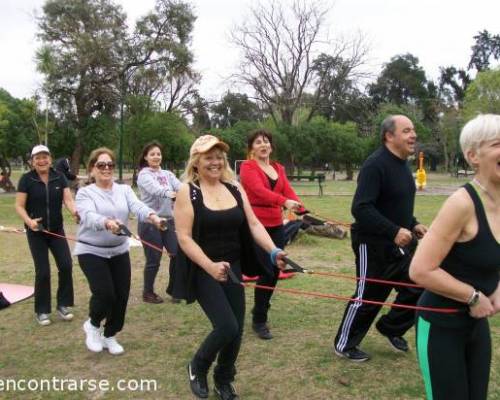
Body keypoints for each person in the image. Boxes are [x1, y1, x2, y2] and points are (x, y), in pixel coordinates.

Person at [170, 135, 286, 400]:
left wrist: (274, 251)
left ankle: (224, 379)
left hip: (232, 266)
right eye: (208, 157)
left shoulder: (235, 188)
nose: (215, 162)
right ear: (196, 162)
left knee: (237, 329)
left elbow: (254, 224)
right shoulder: (189, 191)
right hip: (202, 267)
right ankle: (197, 366)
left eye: (219, 156)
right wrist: (210, 266)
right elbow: (184, 238)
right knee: (226, 326)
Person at [409, 114, 500, 400]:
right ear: (473, 155)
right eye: (498, 144)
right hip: (440, 325)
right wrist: (472, 296)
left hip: (475, 327)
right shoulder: (461, 204)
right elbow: (420, 270)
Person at [333, 115, 428, 362]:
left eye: (413, 130)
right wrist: (393, 231)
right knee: (369, 297)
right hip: (372, 245)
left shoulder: (403, 165)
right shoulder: (375, 165)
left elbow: (396, 205)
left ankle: (391, 328)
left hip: (401, 243)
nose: (413, 135)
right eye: (407, 130)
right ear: (389, 136)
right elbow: (361, 208)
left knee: (420, 286)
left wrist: (413, 223)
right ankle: (344, 345)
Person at [74, 147, 165, 355]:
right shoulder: (85, 193)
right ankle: (93, 325)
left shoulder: (123, 190)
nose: (106, 168)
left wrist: (154, 217)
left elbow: (137, 206)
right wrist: (106, 222)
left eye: (110, 165)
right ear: (92, 169)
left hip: (118, 250)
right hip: (91, 251)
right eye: (101, 165)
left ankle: (110, 335)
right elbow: (87, 215)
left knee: (121, 295)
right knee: (105, 294)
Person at [239, 129, 305, 340]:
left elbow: (287, 190)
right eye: (258, 142)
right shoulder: (247, 167)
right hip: (256, 225)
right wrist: (283, 202)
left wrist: (299, 207)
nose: (263, 145)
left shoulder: (278, 168)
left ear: (271, 146)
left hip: (276, 225)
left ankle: (261, 309)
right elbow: (258, 191)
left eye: (266, 141)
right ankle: (259, 319)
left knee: (276, 269)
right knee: (267, 271)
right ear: (252, 148)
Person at [15, 144, 78, 326]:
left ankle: (63, 304)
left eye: (45, 157)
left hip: (57, 230)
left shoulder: (59, 177)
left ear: (50, 159)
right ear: (32, 161)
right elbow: (19, 205)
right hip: (36, 232)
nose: (42, 161)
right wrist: (29, 222)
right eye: (38, 158)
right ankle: (42, 310)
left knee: (66, 265)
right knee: (43, 271)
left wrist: (75, 212)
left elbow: (68, 199)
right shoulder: (27, 179)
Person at [137, 141, 181, 304]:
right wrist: (174, 195)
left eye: (158, 154)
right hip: (150, 223)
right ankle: (148, 292)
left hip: (169, 221)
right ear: (146, 157)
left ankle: (175, 290)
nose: (156, 157)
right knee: (154, 259)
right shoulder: (144, 175)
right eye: (152, 154)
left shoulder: (168, 174)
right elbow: (157, 190)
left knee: (176, 253)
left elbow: (180, 186)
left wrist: (189, 191)